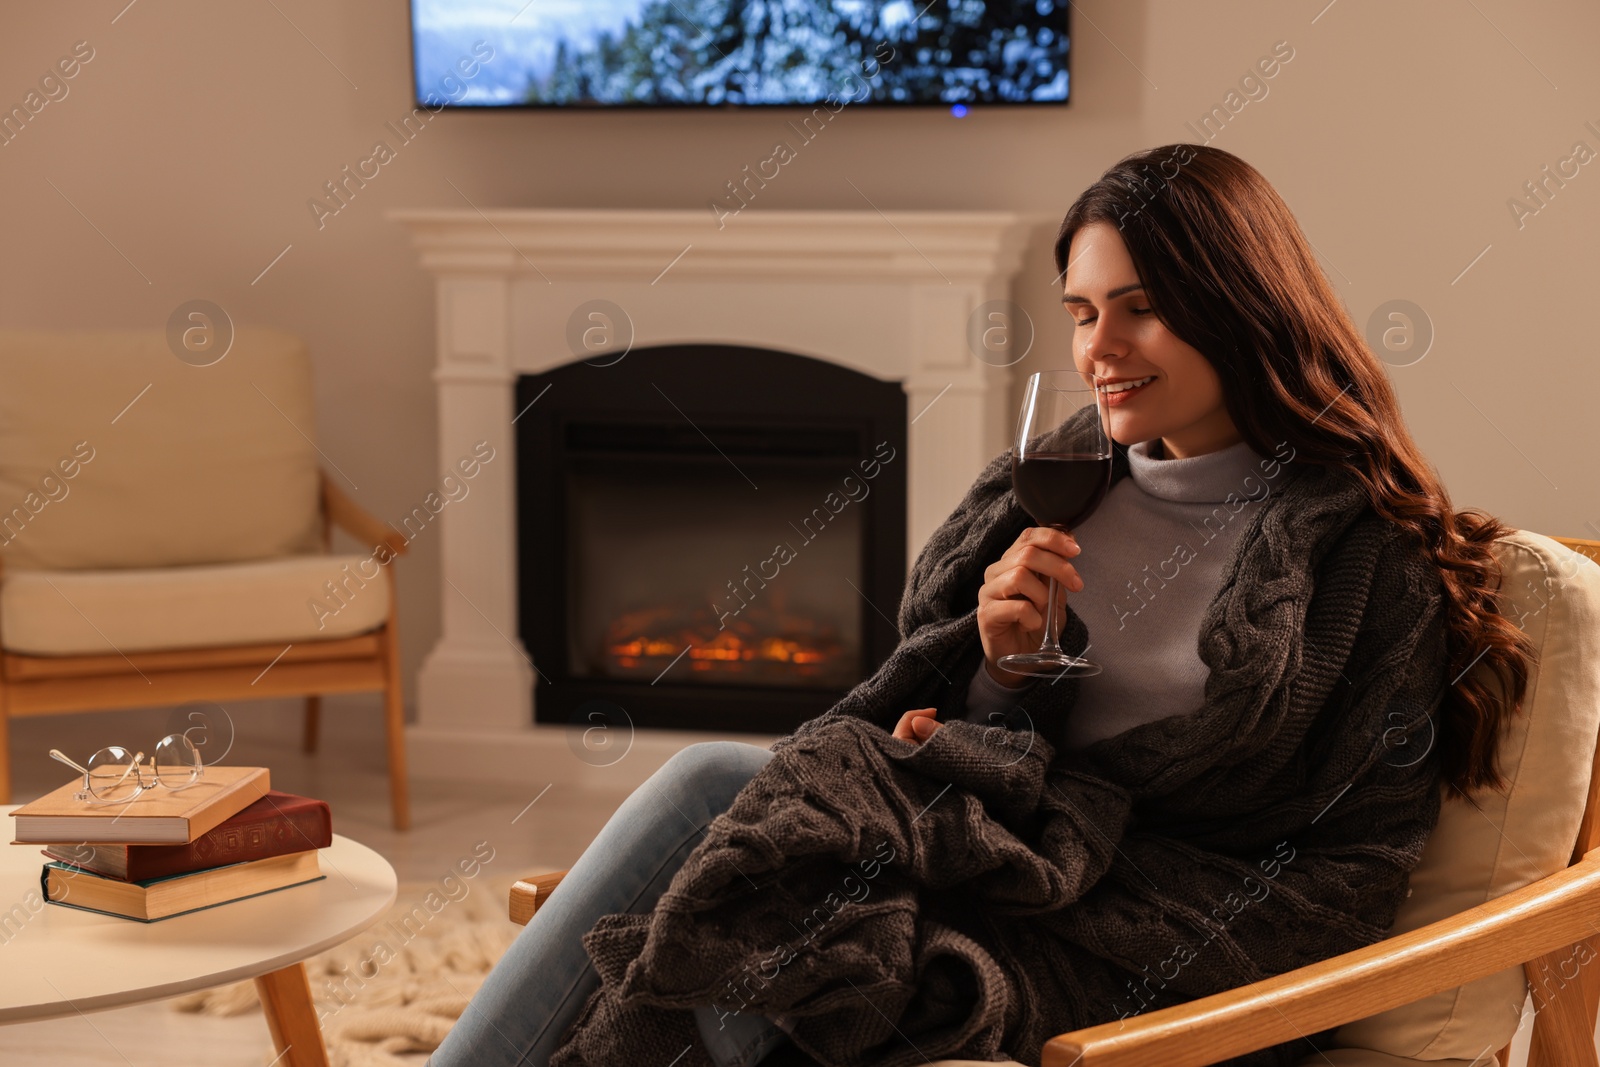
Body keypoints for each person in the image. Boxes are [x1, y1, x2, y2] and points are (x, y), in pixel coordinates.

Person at [427, 144, 1534, 1067]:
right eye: (1082, 311)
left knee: (757, 918)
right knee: (742, 867)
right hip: (984, 861)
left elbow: (1351, 864)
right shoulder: (1046, 484)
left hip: (1153, 935)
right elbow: (944, 734)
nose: (1099, 349)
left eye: (1142, 309)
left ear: (1241, 309)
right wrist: (999, 672)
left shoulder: (1361, 553)